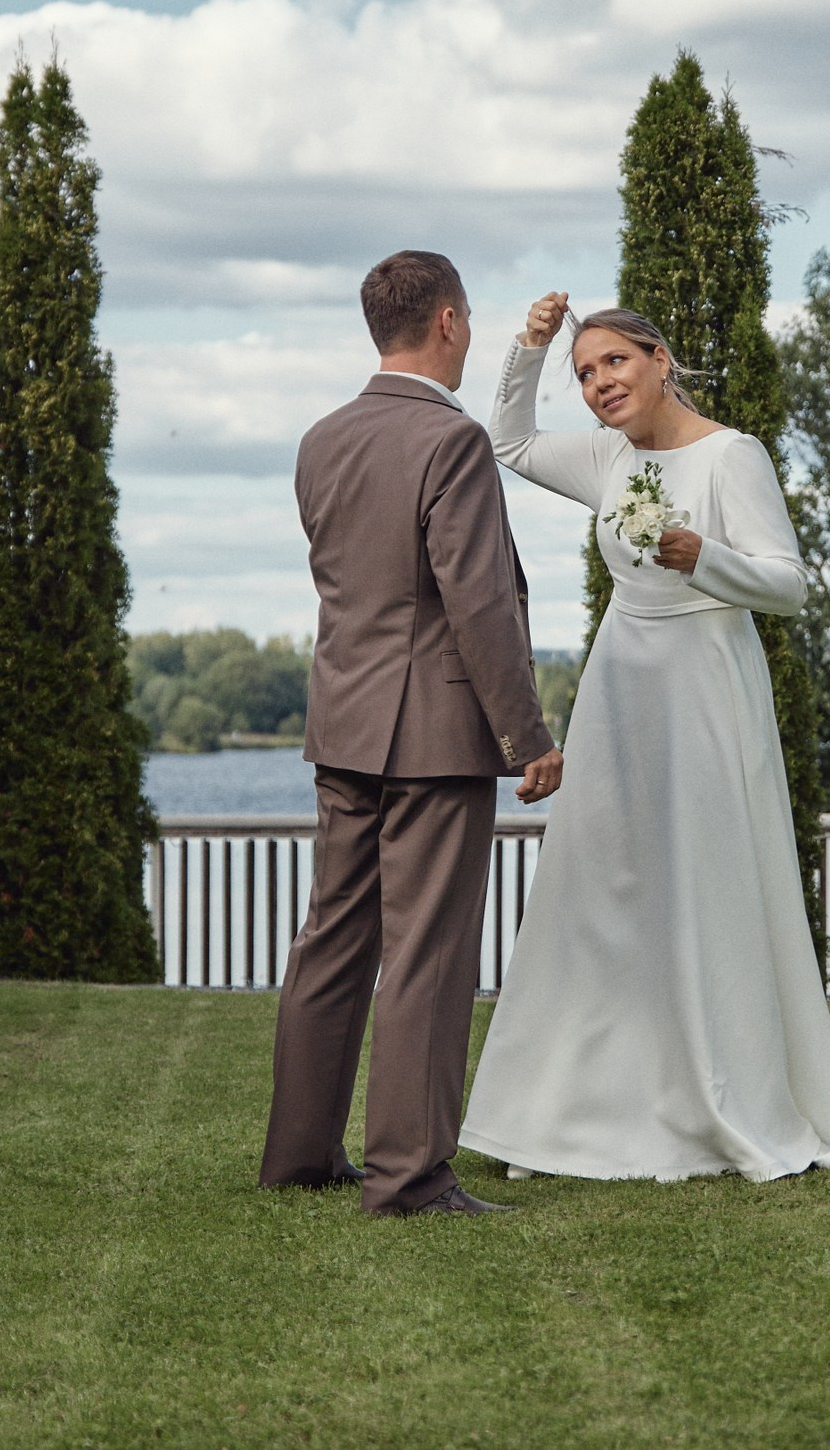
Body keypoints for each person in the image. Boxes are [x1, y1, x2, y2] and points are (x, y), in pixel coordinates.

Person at [460, 293, 830, 1182]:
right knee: (602, 888)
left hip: (707, 685)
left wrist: (708, 557)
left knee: (708, 882)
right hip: (622, 686)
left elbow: (789, 586)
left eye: (612, 363)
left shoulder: (733, 455)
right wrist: (530, 348)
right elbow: (507, 443)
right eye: (585, 374)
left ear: (660, 359)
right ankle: (577, 1106)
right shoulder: (606, 457)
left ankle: (720, 1093)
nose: (596, 386)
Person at [258, 250, 564, 1217]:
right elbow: (479, 604)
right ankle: (411, 1175)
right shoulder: (453, 442)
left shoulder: (321, 438)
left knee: (333, 939)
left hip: (343, 722)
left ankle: (301, 1155)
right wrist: (527, 736)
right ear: (446, 323)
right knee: (428, 952)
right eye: (468, 323)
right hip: (434, 733)